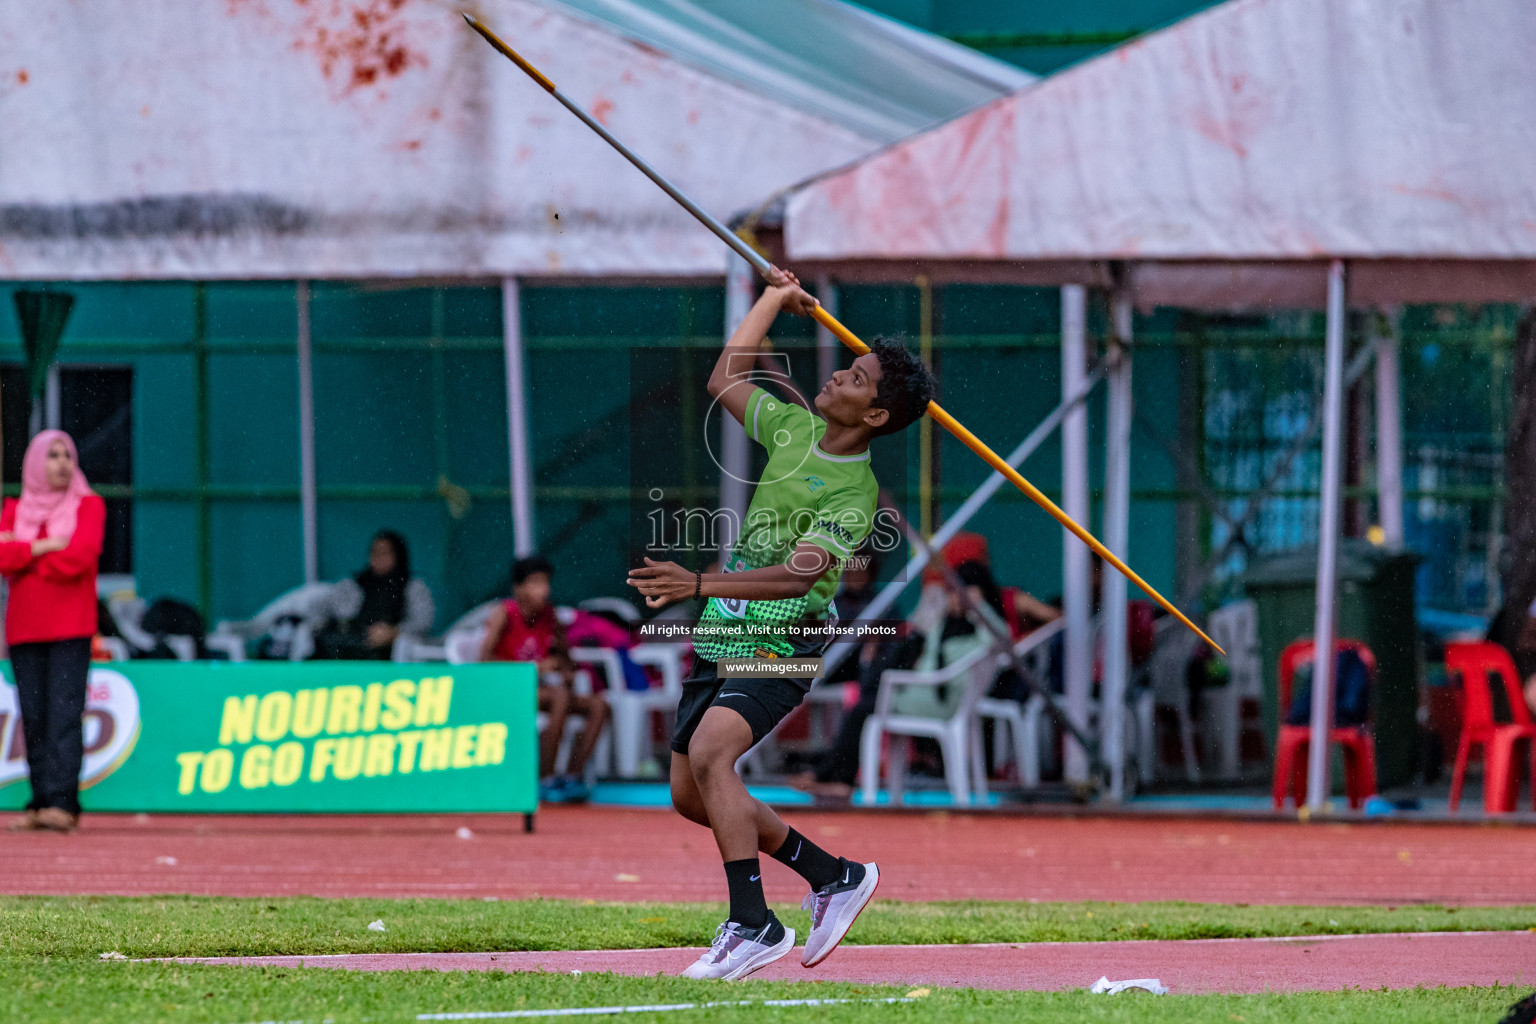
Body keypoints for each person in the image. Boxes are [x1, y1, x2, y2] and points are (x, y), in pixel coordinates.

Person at [626, 267, 937, 980]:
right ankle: (834, 875)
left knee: (712, 757)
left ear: (877, 416)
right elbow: (724, 379)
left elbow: (799, 575)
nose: (835, 381)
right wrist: (770, 299)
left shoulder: (855, 496)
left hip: (782, 640)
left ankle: (754, 924)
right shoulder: (793, 427)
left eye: (855, 381)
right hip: (725, 629)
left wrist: (698, 580)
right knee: (690, 794)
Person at [0, 431, 105, 833]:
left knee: (63, 714)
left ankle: (63, 801)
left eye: (68, 455)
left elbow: (79, 557)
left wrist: (25, 553)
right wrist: (43, 548)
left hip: (69, 627)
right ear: (34, 462)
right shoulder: (16, 508)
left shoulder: (88, 505)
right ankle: (40, 800)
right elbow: (4, 559)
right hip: (25, 629)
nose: (62, 463)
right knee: (34, 717)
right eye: (53, 455)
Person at [480, 554, 609, 803]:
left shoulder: (550, 616)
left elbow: (567, 659)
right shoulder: (505, 613)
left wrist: (564, 668)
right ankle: (545, 778)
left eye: (546, 582)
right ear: (518, 589)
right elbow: (484, 659)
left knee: (598, 705)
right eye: (536, 583)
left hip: (542, 692)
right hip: (510, 690)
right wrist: (535, 669)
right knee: (560, 698)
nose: (544, 590)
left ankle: (572, 776)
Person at [315, 530, 434, 660]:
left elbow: (423, 622)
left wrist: (393, 633)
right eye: (374, 552)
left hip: (392, 659)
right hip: (350, 652)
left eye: (385, 553)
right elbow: (327, 614)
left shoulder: (412, 586)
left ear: (398, 555)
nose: (378, 558)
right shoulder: (353, 584)